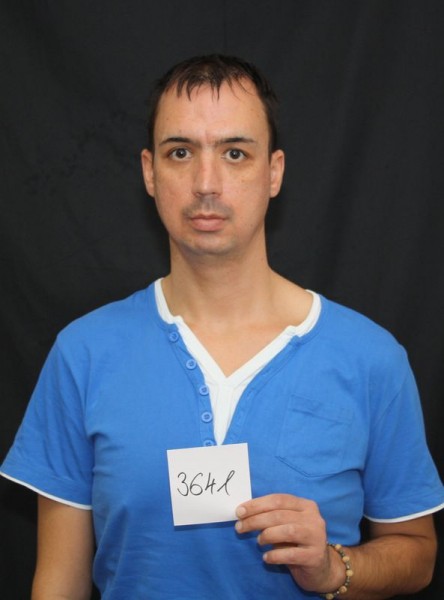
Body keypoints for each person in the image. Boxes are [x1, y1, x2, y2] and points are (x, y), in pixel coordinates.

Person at [1, 54, 443, 600]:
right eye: (180, 152)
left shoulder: (371, 359)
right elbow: (58, 582)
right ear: (149, 171)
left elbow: (416, 553)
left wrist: (335, 568)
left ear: (274, 172)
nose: (206, 183)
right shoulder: (83, 355)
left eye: (235, 153)